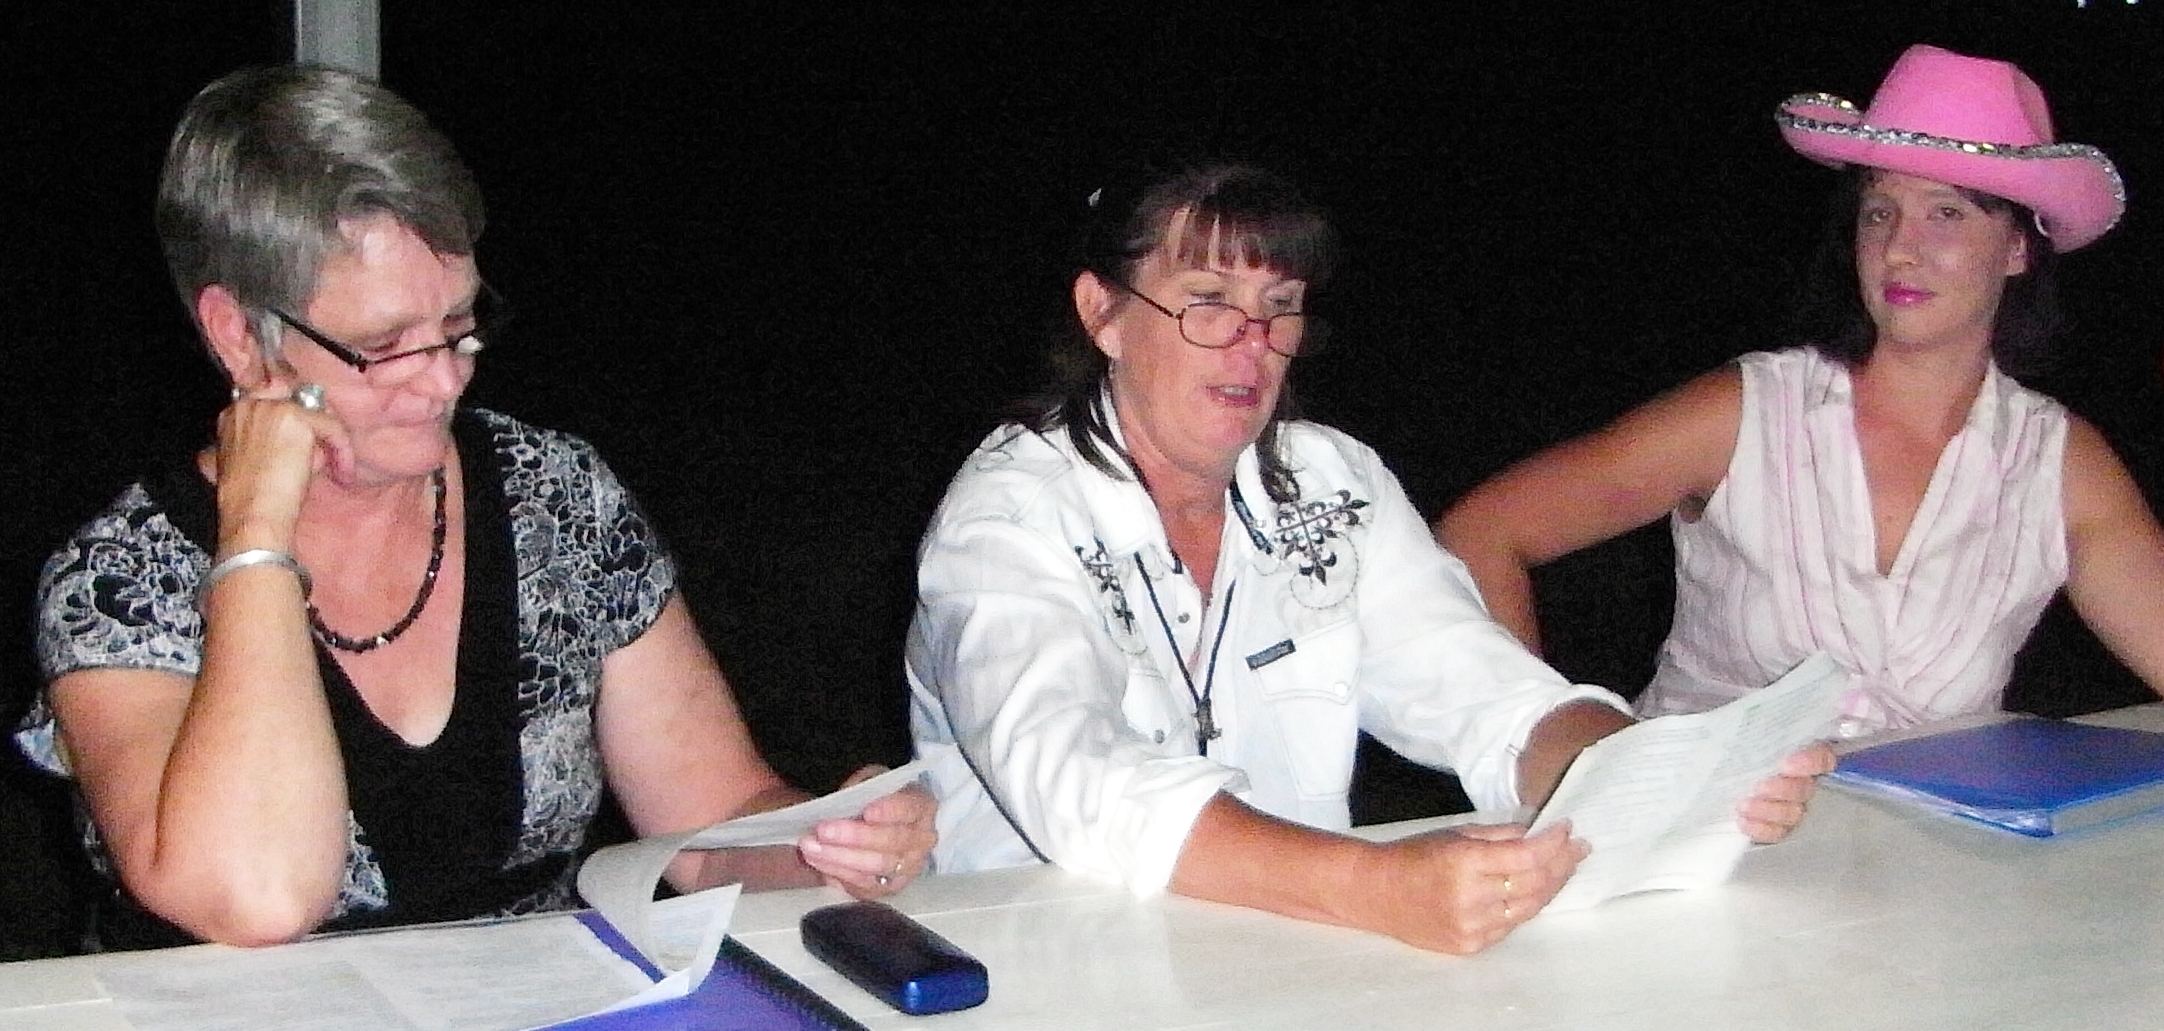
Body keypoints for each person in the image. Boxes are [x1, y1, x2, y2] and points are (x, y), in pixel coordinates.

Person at [15, 65, 934, 950]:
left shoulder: (555, 498)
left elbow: (710, 822)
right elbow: (258, 898)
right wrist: (256, 541)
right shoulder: (121, 581)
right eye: (385, 345)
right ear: (239, 337)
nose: (444, 380)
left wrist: (832, 843)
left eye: (458, 326)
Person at [906, 164, 1831, 956]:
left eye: (1279, 308)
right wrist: (1375, 885)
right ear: (1102, 313)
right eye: (1208, 303)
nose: (1252, 345)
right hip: (1048, 974)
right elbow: (1075, 775)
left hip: (1292, 959)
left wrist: (1668, 772)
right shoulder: (1007, 518)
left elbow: (1481, 689)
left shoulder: (1330, 483)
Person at [1437, 45, 2164, 736]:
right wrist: (1555, 742)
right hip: (1701, 821)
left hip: (1930, 829)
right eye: (1879, 212)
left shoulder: (2056, 462)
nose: (1899, 247)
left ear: (2017, 248)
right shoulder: (1748, 413)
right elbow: (1482, 534)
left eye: (1946, 212)